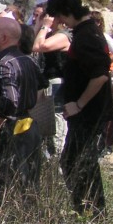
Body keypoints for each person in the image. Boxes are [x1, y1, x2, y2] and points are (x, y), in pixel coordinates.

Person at [46, 0, 111, 215]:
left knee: (78, 162)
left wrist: (79, 104)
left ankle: (91, 213)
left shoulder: (85, 36)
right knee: (77, 161)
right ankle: (89, 212)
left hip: (87, 113)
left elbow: (101, 75)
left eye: (60, 16)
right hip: (84, 113)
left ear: (67, 11)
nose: (60, 22)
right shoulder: (87, 31)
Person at [0, 16, 45, 201]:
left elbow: (10, 100)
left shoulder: (5, 63)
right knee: (27, 182)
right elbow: (41, 87)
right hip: (29, 125)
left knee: (6, 182)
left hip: (10, 130)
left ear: (3, 38)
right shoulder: (28, 60)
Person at [32, 9, 71, 156]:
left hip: (57, 83)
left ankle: (57, 161)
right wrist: (39, 27)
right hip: (44, 82)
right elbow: (31, 46)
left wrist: (44, 26)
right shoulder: (46, 35)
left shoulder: (64, 35)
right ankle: (48, 159)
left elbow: (39, 47)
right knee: (43, 125)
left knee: (55, 123)